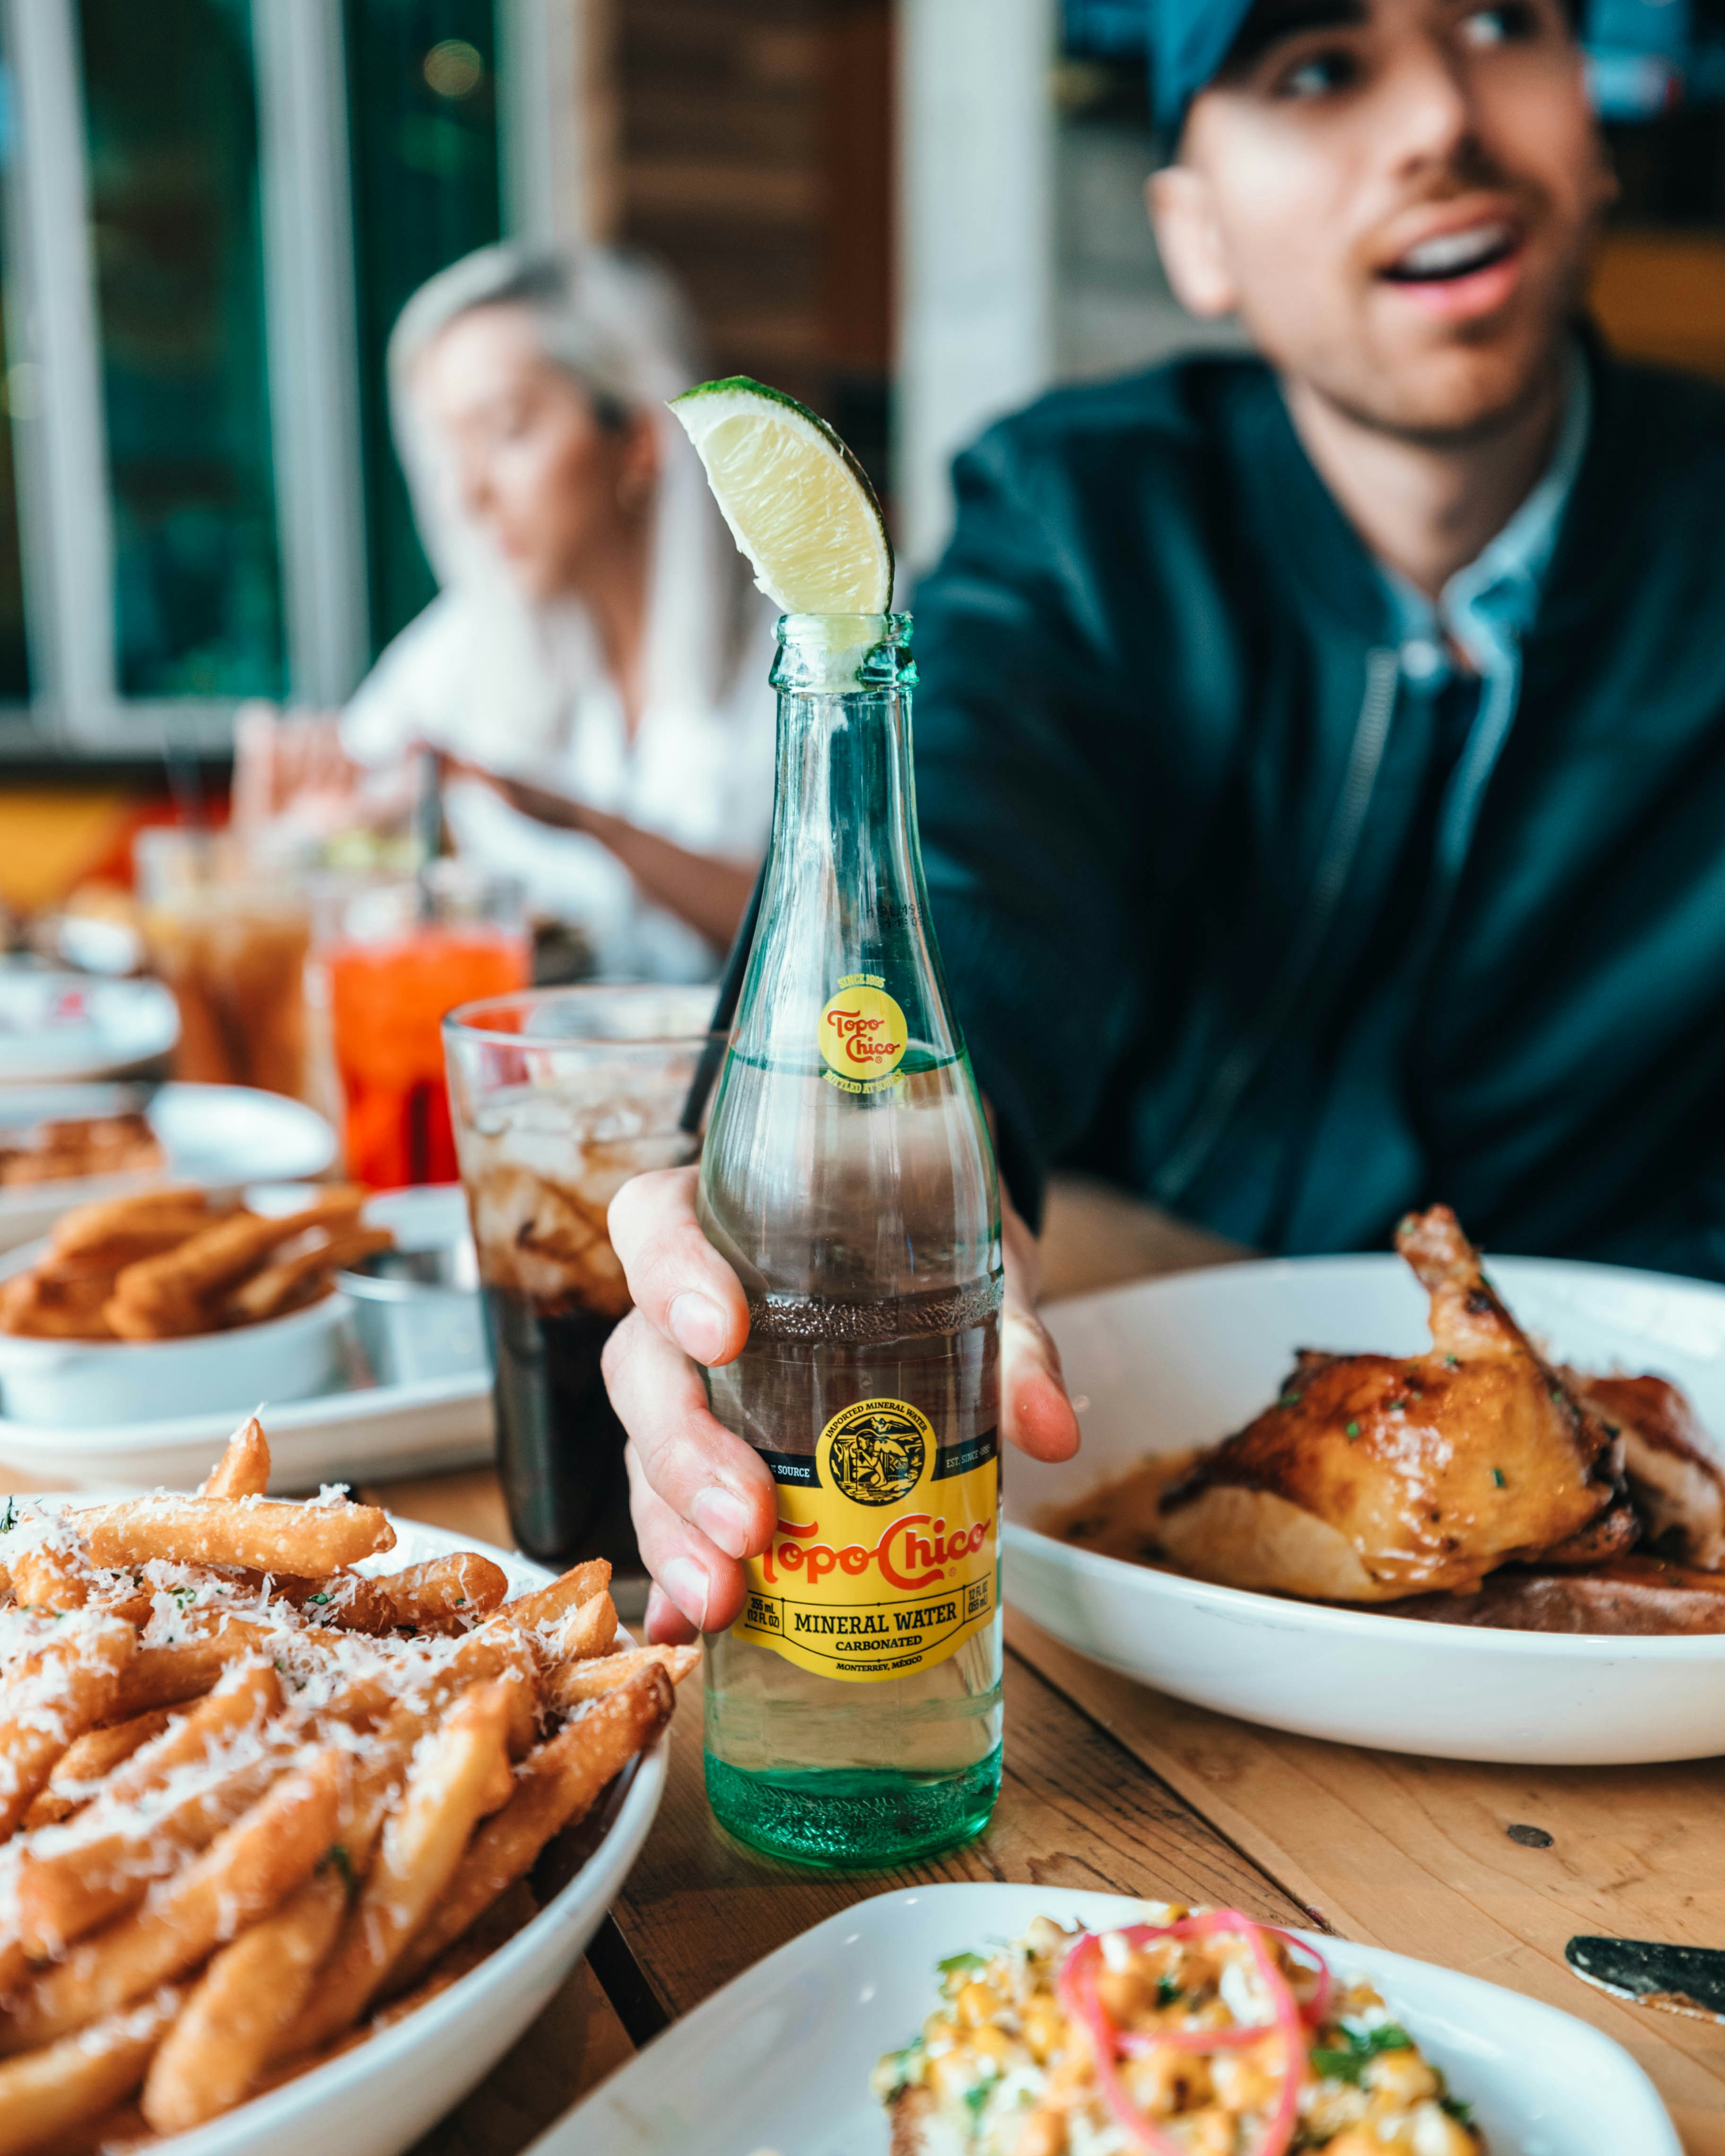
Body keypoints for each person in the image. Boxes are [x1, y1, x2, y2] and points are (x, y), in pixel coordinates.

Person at [606, 0, 1725, 1647]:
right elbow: (963, 854)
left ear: (1590, 113)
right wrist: (884, 1155)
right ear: (1191, 233)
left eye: (1499, 22)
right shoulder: (1080, 520)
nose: (1434, 120)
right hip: (1124, 1605)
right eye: (1315, 68)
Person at [234, 244, 776, 980]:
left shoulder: (805, 656)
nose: (465, 495)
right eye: (447, 450)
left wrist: (584, 820)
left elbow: (840, 928)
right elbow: (330, 824)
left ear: (642, 440)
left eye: (505, 430)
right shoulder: (465, 641)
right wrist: (294, 834)